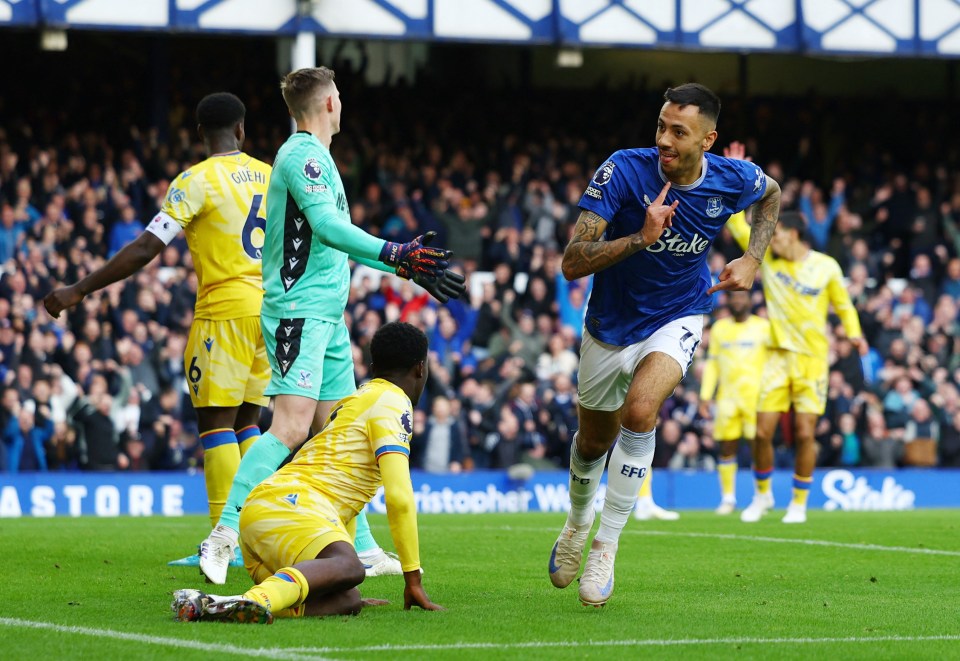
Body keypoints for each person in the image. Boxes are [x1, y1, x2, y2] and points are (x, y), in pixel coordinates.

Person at [198, 67, 464, 584]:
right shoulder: (300, 155)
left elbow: (334, 240)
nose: (342, 104)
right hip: (298, 310)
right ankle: (224, 533)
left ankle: (361, 546)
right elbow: (327, 227)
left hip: (327, 314)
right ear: (326, 105)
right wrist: (396, 251)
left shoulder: (319, 159)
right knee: (293, 426)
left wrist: (403, 265)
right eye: (338, 97)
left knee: (339, 433)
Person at [547, 83, 781, 607]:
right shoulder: (624, 171)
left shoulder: (732, 178)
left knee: (641, 410)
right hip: (609, 323)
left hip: (680, 312)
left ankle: (606, 546)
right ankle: (576, 524)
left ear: (708, 139)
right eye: (661, 127)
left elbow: (772, 195)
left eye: (679, 131)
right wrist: (640, 239)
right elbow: (570, 261)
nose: (664, 140)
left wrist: (752, 258)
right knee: (591, 443)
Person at [44, 94, 272, 561]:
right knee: (249, 423)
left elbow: (147, 248)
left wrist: (79, 289)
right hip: (269, 311)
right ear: (243, 131)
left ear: (198, 134)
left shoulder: (194, 181)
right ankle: (262, 534)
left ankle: (221, 541)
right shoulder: (271, 176)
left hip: (224, 310)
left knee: (215, 424)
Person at [172, 322, 443, 622]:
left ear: (373, 365)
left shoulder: (358, 399)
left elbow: (345, 506)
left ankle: (225, 607)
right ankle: (249, 599)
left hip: (266, 519)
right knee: (350, 566)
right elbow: (400, 497)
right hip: (291, 507)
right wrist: (412, 578)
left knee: (347, 597)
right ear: (420, 368)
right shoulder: (394, 403)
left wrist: (334, 574)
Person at [725, 139, 867, 524]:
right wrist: (736, 174)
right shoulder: (768, 259)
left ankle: (800, 503)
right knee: (762, 431)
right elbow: (738, 225)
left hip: (812, 360)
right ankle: (762, 496)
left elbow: (843, 304)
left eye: (778, 235)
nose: (771, 238)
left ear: (795, 236)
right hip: (775, 356)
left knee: (805, 433)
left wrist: (855, 334)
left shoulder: (826, 267)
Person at [698, 289, 770, 514]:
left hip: (756, 399)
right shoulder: (720, 328)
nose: (738, 300)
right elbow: (713, 364)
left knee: (758, 447)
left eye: (742, 296)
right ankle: (728, 498)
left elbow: (773, 364)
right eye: (734, 297)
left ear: (751, 299)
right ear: (728, 301)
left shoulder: (764, 327)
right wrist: (705, 395)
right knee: (727, 447)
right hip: (727, 399)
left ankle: (763, 494)